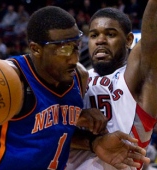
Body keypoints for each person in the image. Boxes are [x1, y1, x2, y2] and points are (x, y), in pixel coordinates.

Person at [0, 6, 149, 170]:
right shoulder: (7, 81)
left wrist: (92, 140)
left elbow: (53, 132)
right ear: (36, 49)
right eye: (64, 50)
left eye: (76, 47)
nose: (74, 58)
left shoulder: (80, 77)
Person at [67, 0, 157, 170]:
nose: (100, 40)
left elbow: (152, 42)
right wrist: (75, 117)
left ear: (129, 40)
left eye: (110, 34)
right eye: (94, 35)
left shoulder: (135, 78)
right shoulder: (76, 78)